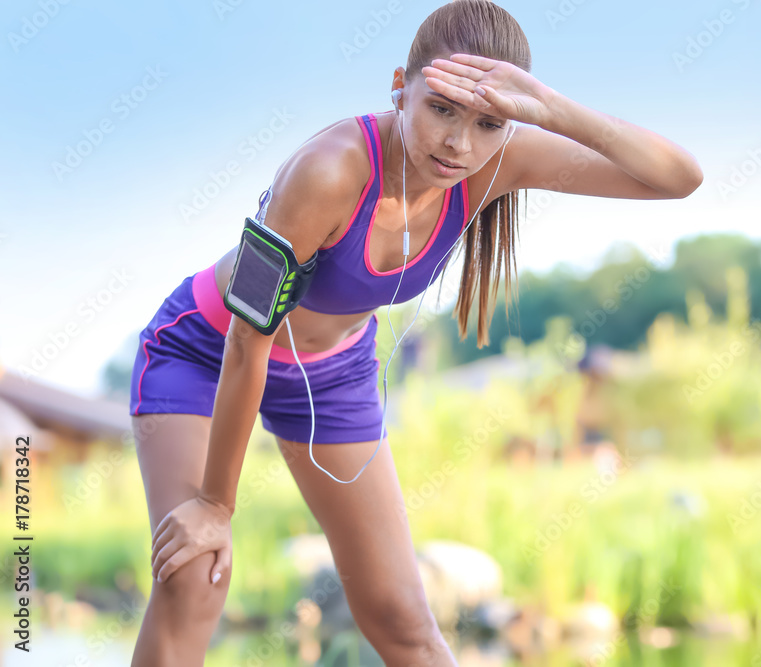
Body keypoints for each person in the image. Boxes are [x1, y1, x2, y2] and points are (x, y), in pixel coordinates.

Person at [128, 1, 703, 664]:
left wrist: (546, 107)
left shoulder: (499, 161)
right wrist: (215, 504)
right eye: (441, 109)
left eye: (488, 122)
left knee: (404, 620)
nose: (459, 143)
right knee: (195, 576)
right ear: (400, 86)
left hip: (332, 375)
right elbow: (246, 339)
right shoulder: (327, 169)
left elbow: (678, 178)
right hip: (205, 350)